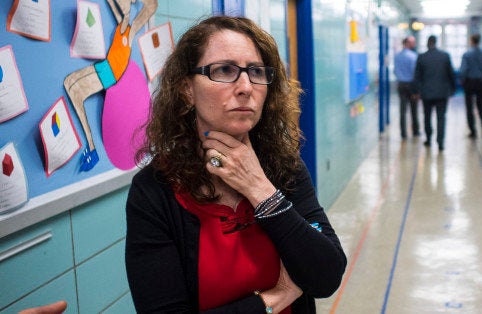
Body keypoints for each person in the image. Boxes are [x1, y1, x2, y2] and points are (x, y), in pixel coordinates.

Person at [124, 16, 347, 313]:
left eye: (256, 72)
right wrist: (273, 299)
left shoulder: (284, 167)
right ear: (187, 90)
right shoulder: (155, 190)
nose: (245, 86)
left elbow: (327, 276)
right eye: (225, 70)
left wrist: (260, 189)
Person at [63, 0, 157, 171]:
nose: (121, 6)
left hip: (112, 74)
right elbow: (118, 7)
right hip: (106, 68)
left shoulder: (131, 30)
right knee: (70, 84)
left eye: (125, 3)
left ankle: (91, 148)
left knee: (74, 89)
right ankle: (91, 146)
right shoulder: (122, 23)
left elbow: (151, 6)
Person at [413, 35, 456, 151]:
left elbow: (417, 77)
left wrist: (416, 92)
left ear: (428, 43)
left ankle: (428, 139)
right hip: (442, 93)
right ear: (436, 43)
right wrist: (453, 89)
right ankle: (440, 142)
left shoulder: (421, 57)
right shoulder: (445, 56)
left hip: (426, 94)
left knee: (427, 117)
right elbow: (451, 74)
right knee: (441, 118)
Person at [459, 34, 482, 139]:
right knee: (481, 106)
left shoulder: (467, 55)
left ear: (472, 41)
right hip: (480, 83)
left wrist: (462, 81)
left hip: (469, 83)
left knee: (469, 107)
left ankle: (473, 131)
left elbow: (463, 70)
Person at [393, 36, 419, 139]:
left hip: (401, 85)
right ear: (407, 43)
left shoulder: (396, 56)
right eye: (412, 42)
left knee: (402, 111)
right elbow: (415, 73)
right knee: (414, 110)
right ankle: (415, 131)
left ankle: (403, 133)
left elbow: (395, 71)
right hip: (411, 85)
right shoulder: (413, 56)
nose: (414, 44)